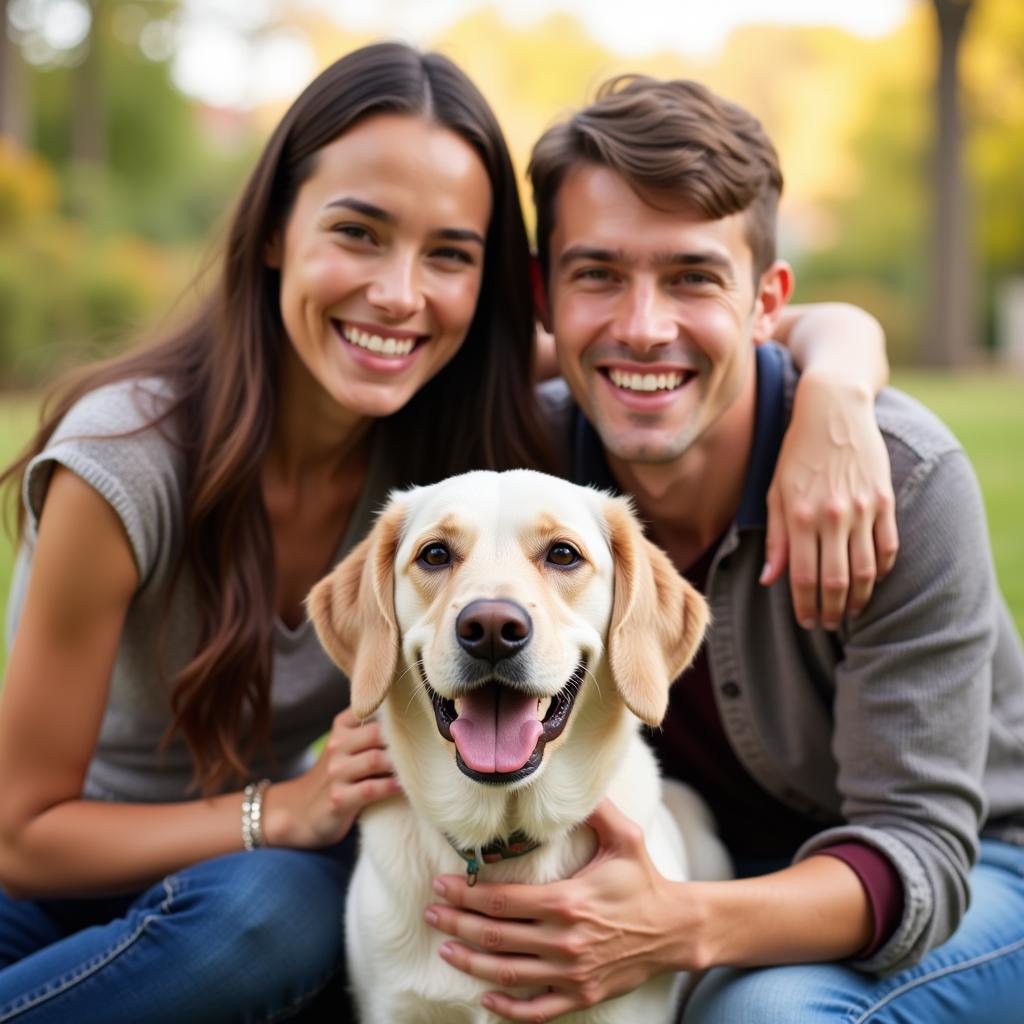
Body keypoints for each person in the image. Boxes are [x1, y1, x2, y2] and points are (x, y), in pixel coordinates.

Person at [0, 43, 892, 1021]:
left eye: (449, 255)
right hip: (54, 885)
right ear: (272, 234)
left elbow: (720, 322)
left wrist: (838, 395)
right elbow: (21, 832)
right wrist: (281, 810)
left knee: (291, 898)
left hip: (243, 874)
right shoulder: (126, 459)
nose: (397, 295)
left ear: (494, 286)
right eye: (358, 232)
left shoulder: (446, 423)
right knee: (281, 906)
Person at [422, 75, 1024, 1023]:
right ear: (545, 295)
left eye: (694, 276)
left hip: (975, 868)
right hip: (683, 849)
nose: (643, 326)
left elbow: (920, 853)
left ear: (765, 301)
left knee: (763, 1014)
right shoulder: (516, 472)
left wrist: (679, 925)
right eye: (598, 275)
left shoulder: (902, 482)